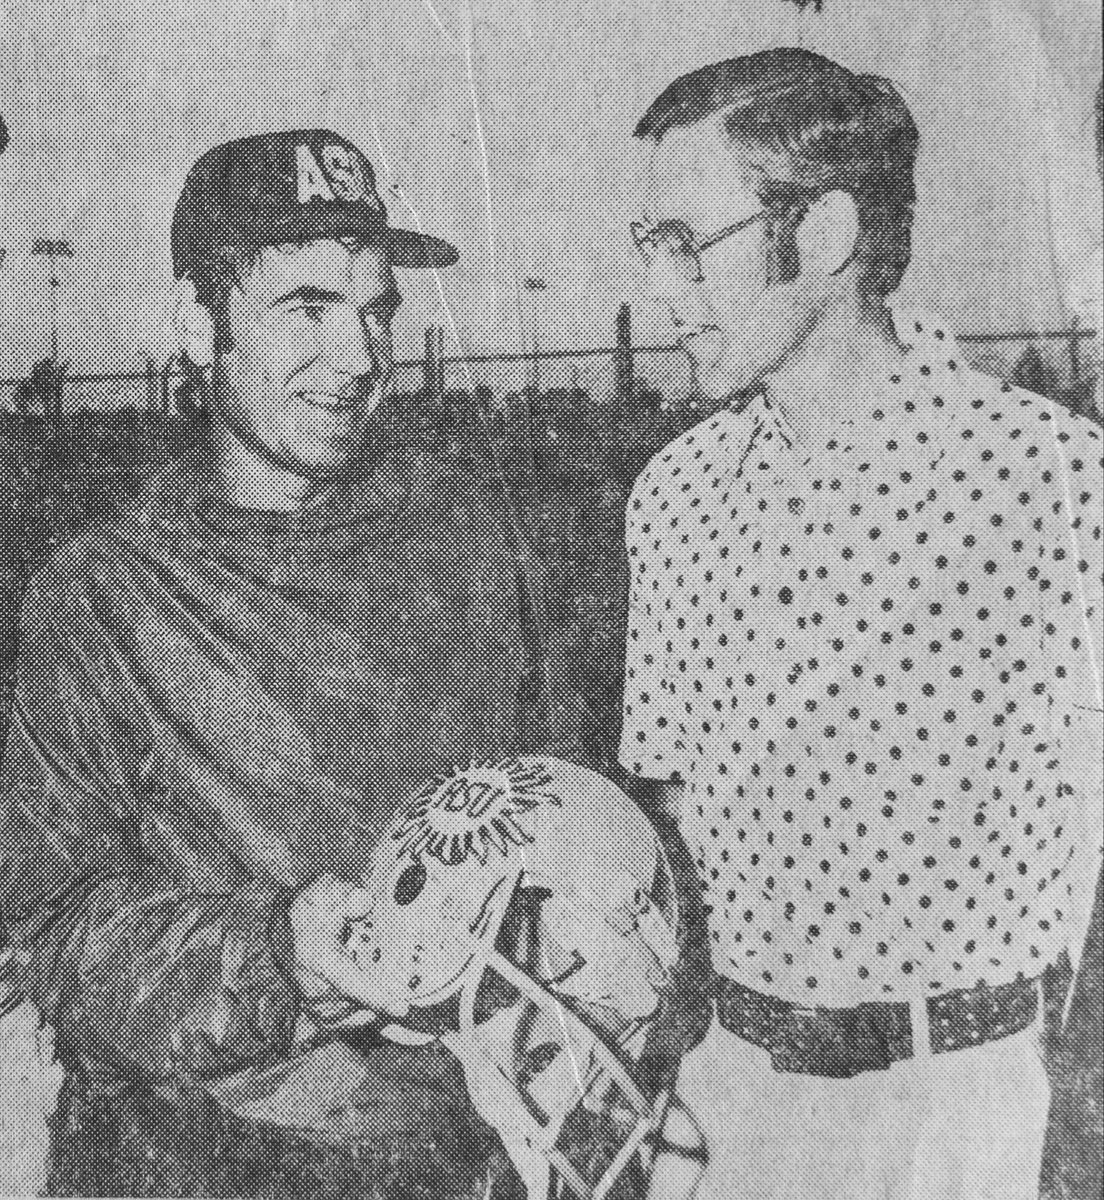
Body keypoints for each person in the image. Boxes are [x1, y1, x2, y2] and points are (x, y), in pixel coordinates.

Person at [0, 128, 620, 1198]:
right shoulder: (103, 594)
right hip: (194, 1157)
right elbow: (53, 927)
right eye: (307, 309)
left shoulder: (476, 540)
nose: (362, 356)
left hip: (461, 1154)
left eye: (376, 310)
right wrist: (274, 953)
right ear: (196, 326)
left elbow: (564, 807)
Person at [619, 50, 1104, 1200]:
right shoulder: (674, 498)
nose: (666, 290)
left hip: (960, 1113)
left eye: (691, 243)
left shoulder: (1053, 484)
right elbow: (672, 813)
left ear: (827, 230)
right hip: (725, 1097)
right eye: (652, 250)